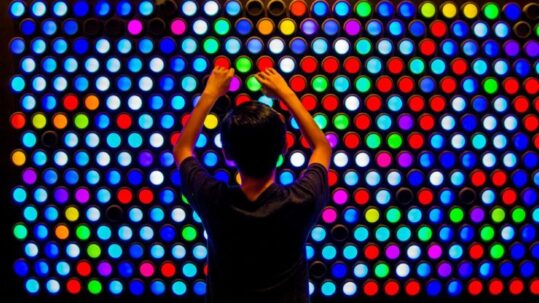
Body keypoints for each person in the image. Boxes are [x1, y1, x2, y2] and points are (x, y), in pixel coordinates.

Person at [174, 66, 332, 303]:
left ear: (226, 153)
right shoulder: (303, 199)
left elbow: (182, 149)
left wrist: (210, 93)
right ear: (284, 148)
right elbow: (322, 147)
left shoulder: (212, 199)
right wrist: (285, 94)